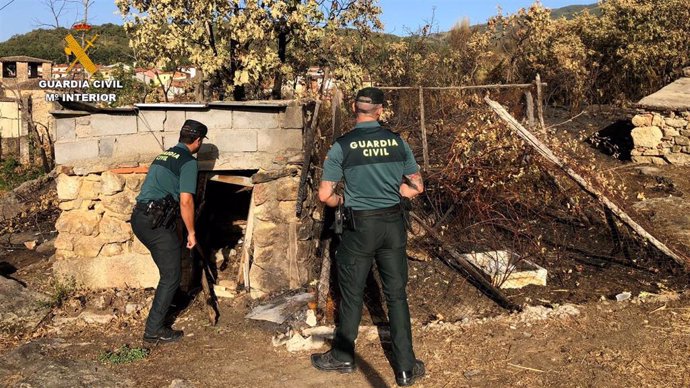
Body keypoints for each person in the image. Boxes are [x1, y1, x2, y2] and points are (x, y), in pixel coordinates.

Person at [311, 87, 426, 386]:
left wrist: (342, 201)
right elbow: (416, 187)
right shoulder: (398, 142)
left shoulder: (341, 146)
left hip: (358, 228)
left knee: (351, 293)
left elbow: (325, 195)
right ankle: (405, 368)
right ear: (380, 110)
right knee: (396, 295)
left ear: (353, 107)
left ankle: (343, 356)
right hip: (392, 225)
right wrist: (395, 192)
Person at [131, 119, 207, 344]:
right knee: (171, 275)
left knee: (169, 269)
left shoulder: (163, 155)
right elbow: (186, 201)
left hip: (140, 219)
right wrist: (192, 232)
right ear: (198, 141)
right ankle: (154, 330)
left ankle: (171, 298)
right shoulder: (188, 162)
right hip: (156, 223)